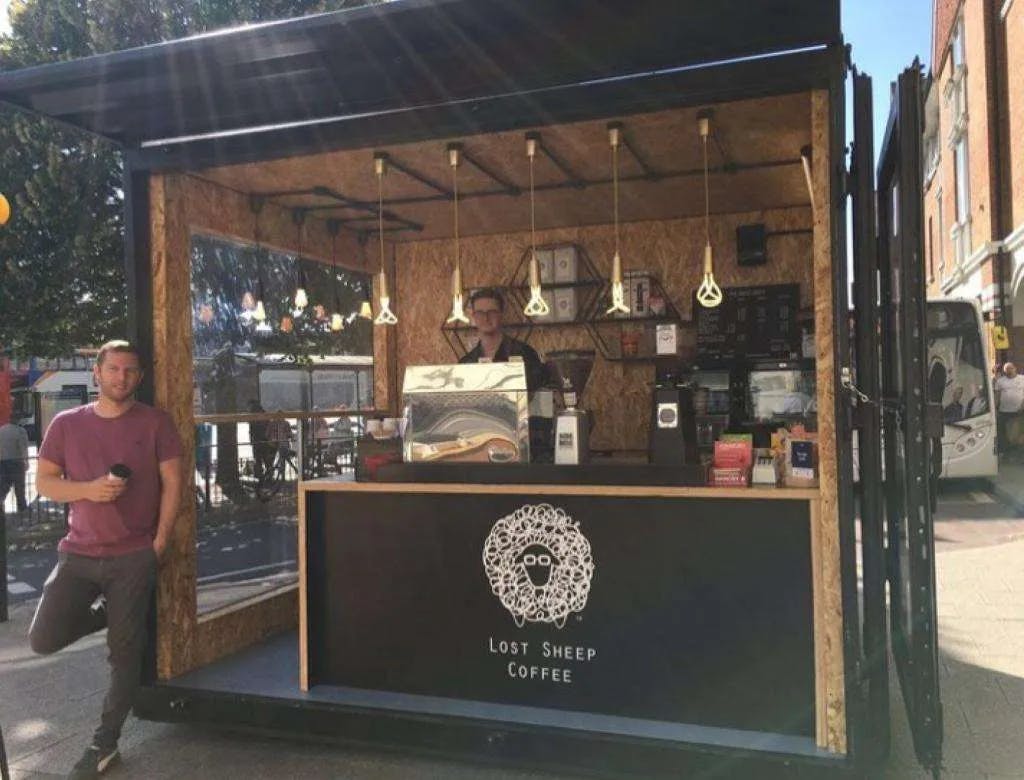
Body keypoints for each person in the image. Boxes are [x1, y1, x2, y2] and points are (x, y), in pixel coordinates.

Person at [28, 340, 183, 779]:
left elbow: (174, 481)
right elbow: (44, 482)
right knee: (41, 638)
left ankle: (105, 742)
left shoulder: (156, 422)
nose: (122, 377)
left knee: (124, 653)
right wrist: (88, 490)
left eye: (130, 371)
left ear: (140, 377)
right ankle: (106, 617)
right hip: (77, 551)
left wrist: (160, 541)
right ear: (96, 373)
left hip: (133, 554)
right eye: (113, 369)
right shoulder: (66, 423)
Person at [458, 288, 547, 389]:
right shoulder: (466, 363)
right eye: (480, 313)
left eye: (492, 312)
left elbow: (540, 396)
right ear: (473, 316)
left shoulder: (525, 354)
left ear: (501, 314)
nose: (486, 318)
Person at [0, 418, 29, 513]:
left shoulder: (2, 429)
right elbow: (23, 448)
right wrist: (26, 461)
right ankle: (22, 507)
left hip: (3, 461)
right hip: (17, 461)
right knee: (19, 486)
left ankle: (1, 504)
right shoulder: (20, 431)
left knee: (4, 485)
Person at [995, 362, 1024, 456]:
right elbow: (997, 396)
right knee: (1004, 433)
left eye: (1011, 368)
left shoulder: (1022, 379)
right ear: (1004, 371)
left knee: (1019, 433)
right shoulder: (1000, 381)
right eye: (1006, 369)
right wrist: (995, 408)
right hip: (1004, 411)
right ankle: (1006, 452)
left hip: (1019, 411)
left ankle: (1019, 454)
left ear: (1015, 368)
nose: (1009, 371)